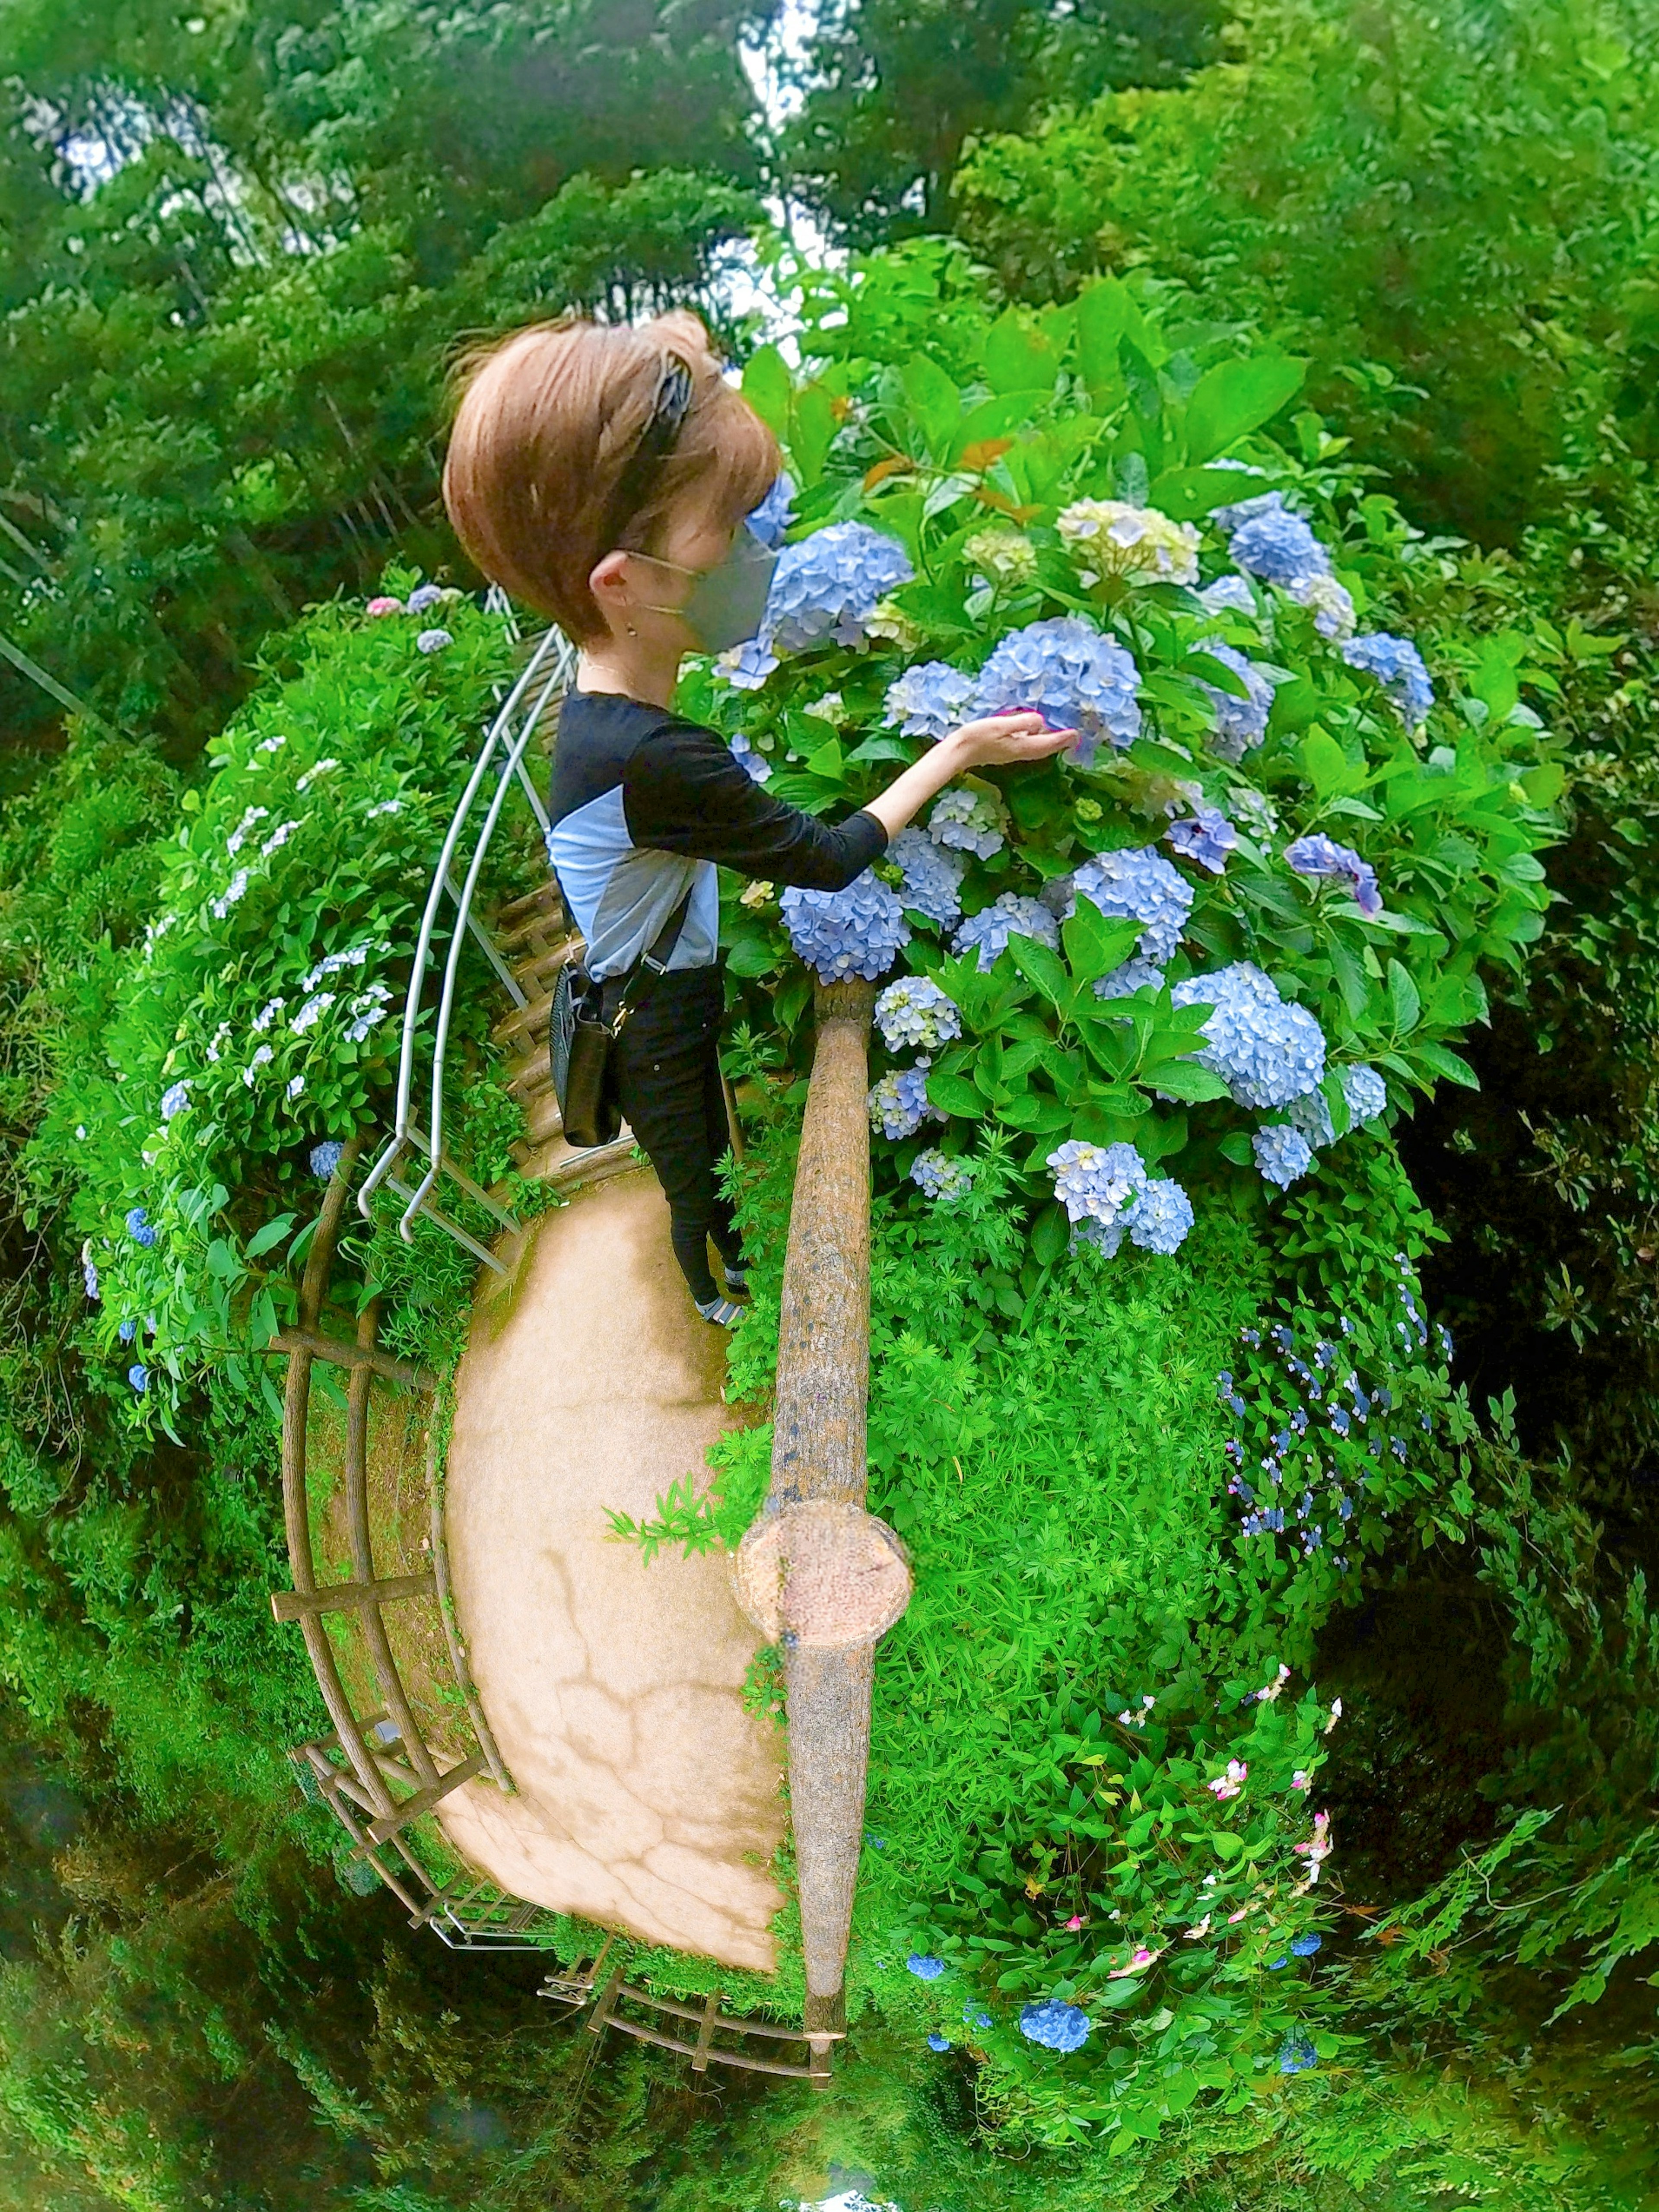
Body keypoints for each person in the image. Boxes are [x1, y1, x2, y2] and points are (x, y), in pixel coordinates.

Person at [442, 309, 1073, 1327]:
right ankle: (721, 1302)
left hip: (644, 987)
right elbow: (825, 859)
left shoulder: (602, 702)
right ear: (622, 582)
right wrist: (956, 750)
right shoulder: (658, 758)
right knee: (694, 1177)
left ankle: (721, 1270)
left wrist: (680, 361)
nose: (749, 549)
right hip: (654, 1017)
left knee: (701, 1143)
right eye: (725, 531)